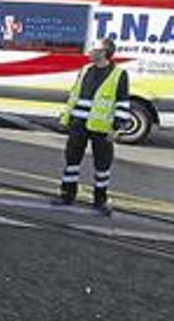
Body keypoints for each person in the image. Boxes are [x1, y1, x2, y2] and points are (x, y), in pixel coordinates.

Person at [55, 37, 130, 216]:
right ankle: (67, 194)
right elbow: (75, 95)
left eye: (93, 49)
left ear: (104, 53)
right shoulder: (85, 70)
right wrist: (66, 119)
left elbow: (122, 103)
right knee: (72, 160)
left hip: (102, 127)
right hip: (79, 124)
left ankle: (100, 199)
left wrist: (115, 128)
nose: (89, 52)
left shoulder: (119, 74)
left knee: (102, 165)